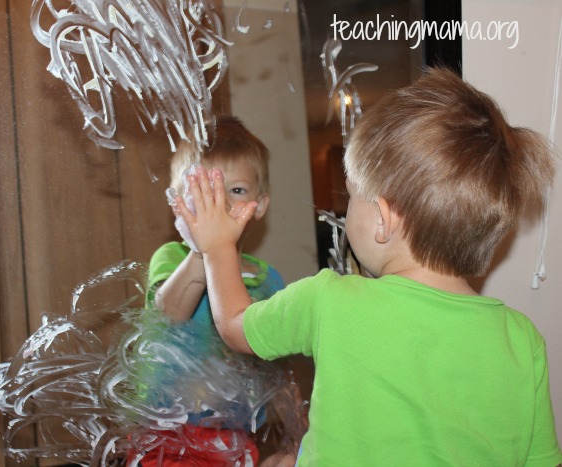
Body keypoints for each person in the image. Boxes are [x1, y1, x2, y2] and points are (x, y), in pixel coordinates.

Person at [174, 68, 562, 465]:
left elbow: (237, 325)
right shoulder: (522, 339)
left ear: (383, 219)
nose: (345, 210)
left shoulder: (332, 300)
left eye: (352, 196)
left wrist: (218, 246)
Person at [130, 117, 300, 466]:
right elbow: (167, 315)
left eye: (235, 191)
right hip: (167, 432)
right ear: (177, 201)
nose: (218, 206)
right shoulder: (173, 257)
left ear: (261, 205)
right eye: (203, 192)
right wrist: (202, 248)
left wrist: (297, 423)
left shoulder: (268, 280)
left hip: (234, 434)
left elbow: (275, 367)